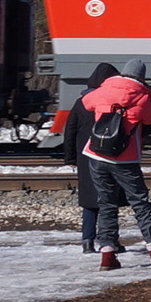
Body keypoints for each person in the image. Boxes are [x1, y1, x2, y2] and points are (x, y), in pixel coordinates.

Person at [78, 58, 151, 270]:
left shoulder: (103, 90)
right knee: (140, 203)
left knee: (106, 204)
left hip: (97, 155)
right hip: (126, 158)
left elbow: (86, 103)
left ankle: (107, 257)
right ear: (141, 77)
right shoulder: (143, 97)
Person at [61, 62, 119, 255]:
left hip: (85, 156)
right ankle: (110, 241)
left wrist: (70, 157)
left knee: (89, 201)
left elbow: (70, 131)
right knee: (109, 200)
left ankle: (87, 241)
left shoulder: (82, 102)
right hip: (109, 155)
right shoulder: (114, 101)